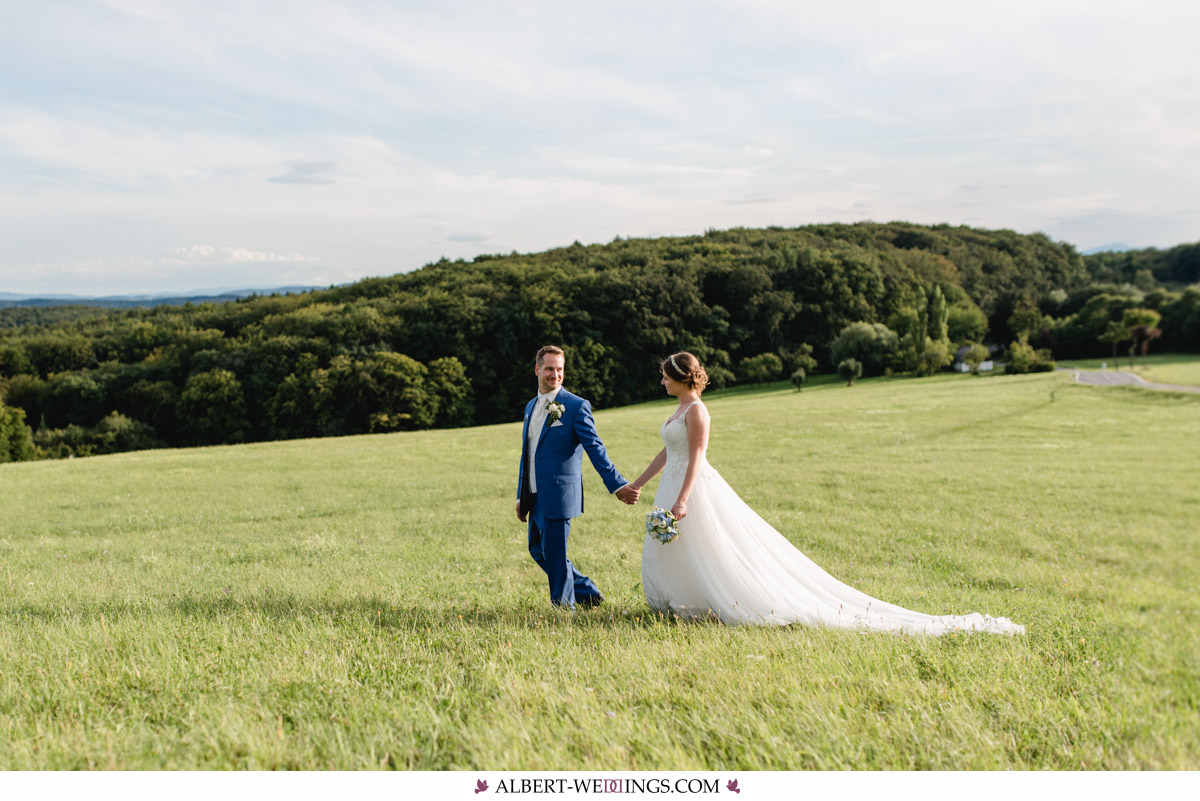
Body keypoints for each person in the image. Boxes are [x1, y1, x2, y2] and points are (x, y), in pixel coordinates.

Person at [627, 351, 1024, 635]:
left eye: (665, 376)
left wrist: (683, 498)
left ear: (681, 377)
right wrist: (641, 483)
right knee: (678, 547)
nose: (661, 381)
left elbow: (696, 456)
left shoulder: (697, 411)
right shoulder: (677, 410)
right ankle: (684, 604)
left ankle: (722, 602)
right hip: (670, 484)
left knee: (710, 547)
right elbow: (669, 452)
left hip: (693, 488)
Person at [517, 345, 640, 609]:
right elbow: (527, 454)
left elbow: (595, 447)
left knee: (555, 554)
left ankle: (564, 609)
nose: (555, 374)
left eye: (559, 369)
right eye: (549, 368)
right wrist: (521, 495)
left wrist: (617, 483)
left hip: (559, 494)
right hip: (534, 493)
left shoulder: (575, 406)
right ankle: (588, 592)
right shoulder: (530, 407)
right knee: (538, 550)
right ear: (537, 369)